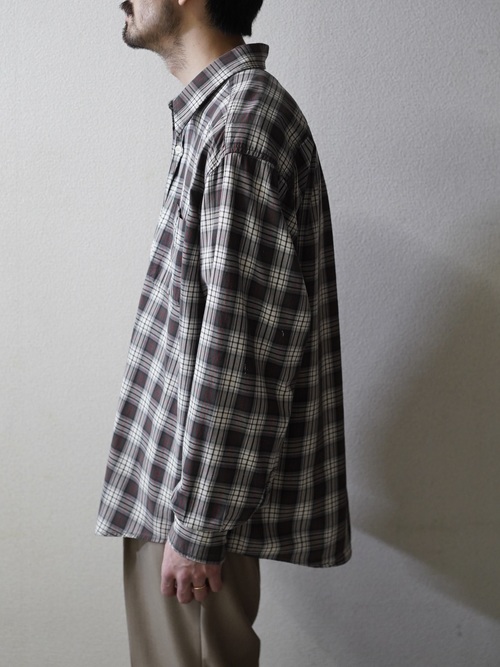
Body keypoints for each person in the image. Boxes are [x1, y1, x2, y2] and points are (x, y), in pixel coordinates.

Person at [96, 0, 351, 664]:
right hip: (184, 499)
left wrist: (199, 527)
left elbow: (242, 355)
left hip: (193, 514)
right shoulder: (222, 117)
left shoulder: (239, 128)